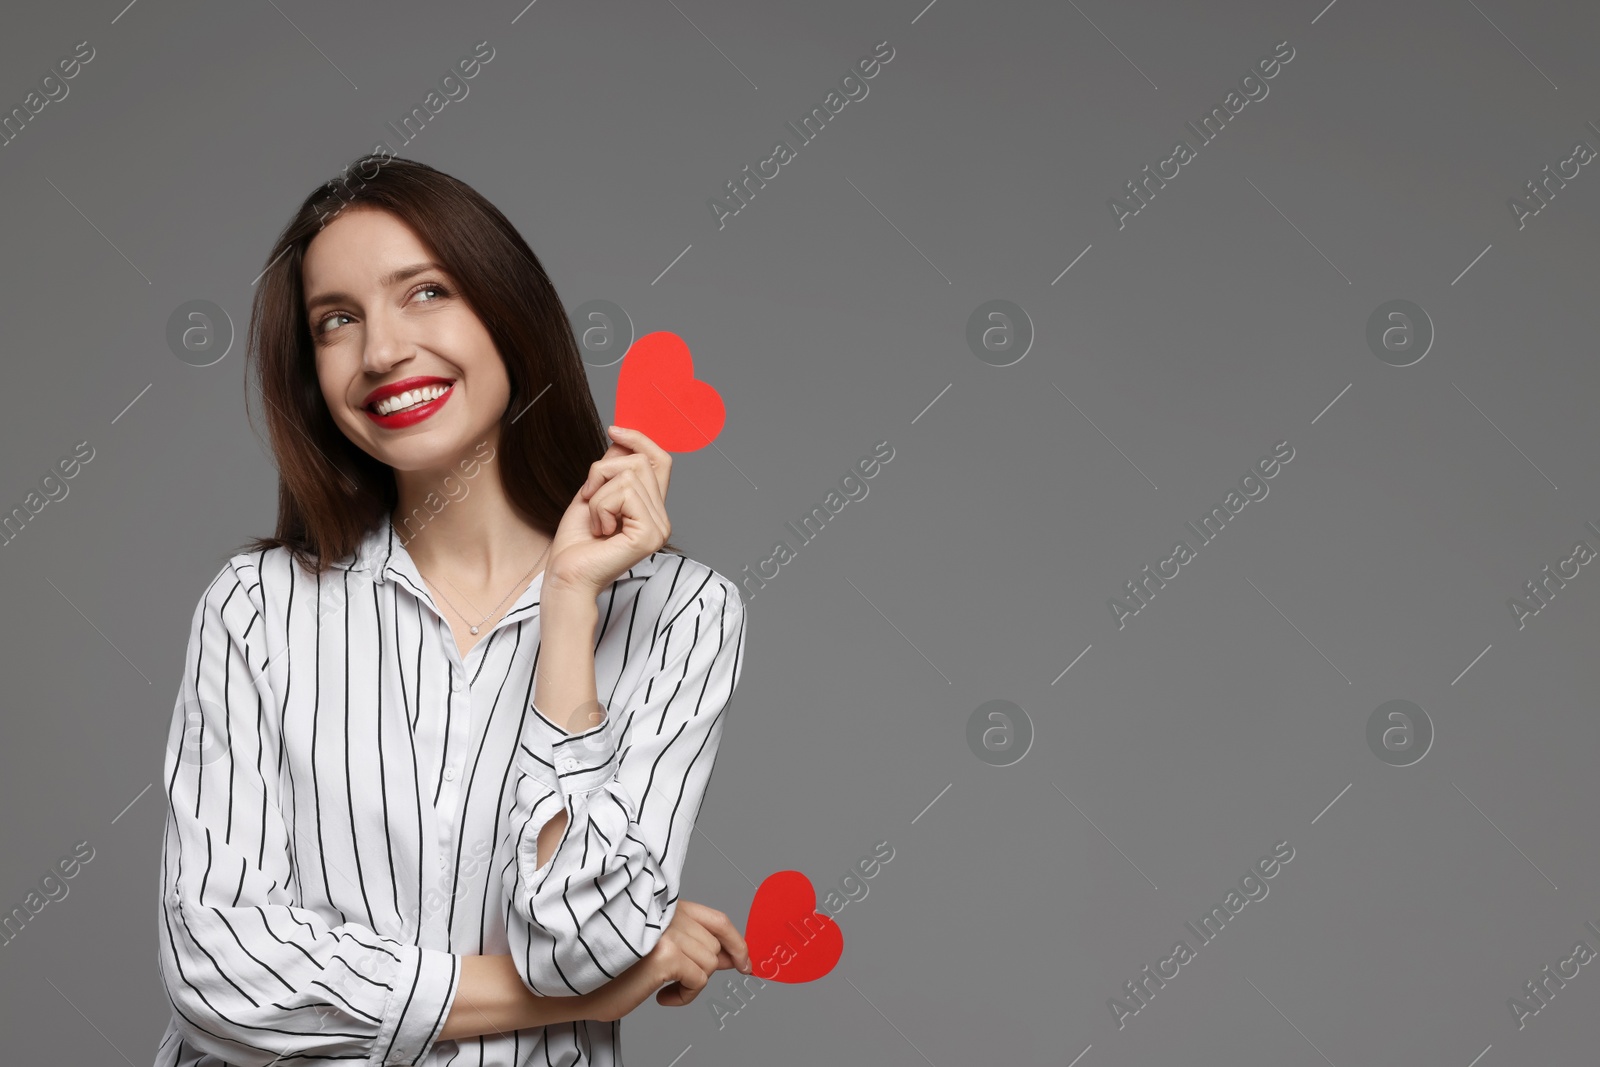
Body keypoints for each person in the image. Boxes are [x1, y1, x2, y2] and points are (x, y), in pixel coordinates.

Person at [152, 155, 752, 1066]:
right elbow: (219, 972)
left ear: (508, 313)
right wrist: (570, 988)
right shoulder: (256, 609)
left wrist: (568, 608)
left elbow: (579, 944)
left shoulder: (684, 614)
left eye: (425, 292)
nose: (382, 351)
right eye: (337, 321)